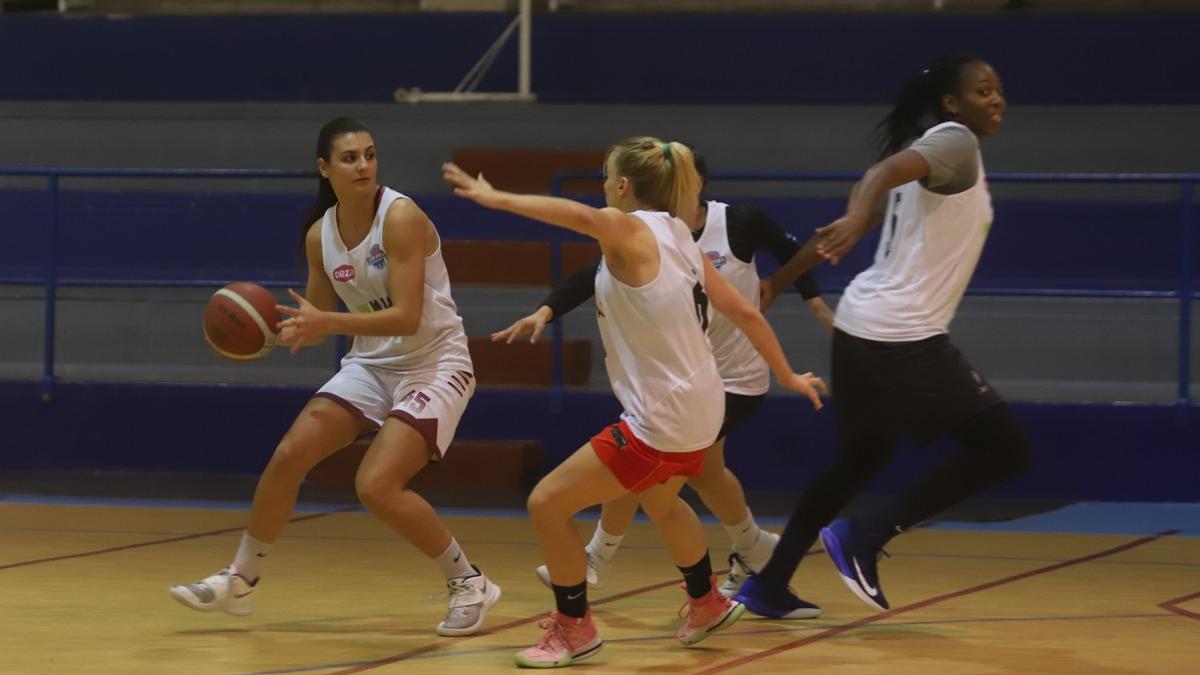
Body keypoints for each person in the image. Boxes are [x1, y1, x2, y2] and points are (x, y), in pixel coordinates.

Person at [443, 137, 826, 668]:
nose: (603, 189)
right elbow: (746, 311)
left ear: (623, 186)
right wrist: (787, 374)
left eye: (606, 179)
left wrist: (496, 198)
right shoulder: (679, 235)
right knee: (663, 501)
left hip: (663, 418)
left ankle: (574, 628)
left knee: (546, 504)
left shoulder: (629, 226)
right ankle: (707, 603)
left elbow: (577, 215)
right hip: (705, 409)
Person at [169, 117, 501, 637]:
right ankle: (241, 579)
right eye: (350, 158)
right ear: (325, 169)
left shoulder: (401, 217)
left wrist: (328, 323)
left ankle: (470, 581)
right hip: (371, 362)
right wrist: (268, 332)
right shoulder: (318, 236)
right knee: (288, 456)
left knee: (375, 485)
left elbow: (407, 317)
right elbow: (318, 317)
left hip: (435, 363)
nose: (364, 165)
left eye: (370, 154)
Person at [734, 55, 1032, 618]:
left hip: (861, 326)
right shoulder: (954, 142)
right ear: (952, 103)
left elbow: (846, 223)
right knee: (1005, 449)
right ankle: (864, 538)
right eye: (983, 90)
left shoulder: (938, 159)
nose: (997, 99)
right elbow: (874, 179)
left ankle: (769, 584)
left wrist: (779, 280)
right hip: (901, 332)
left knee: (860, 460)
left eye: (999, 89)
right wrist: (852, 215)